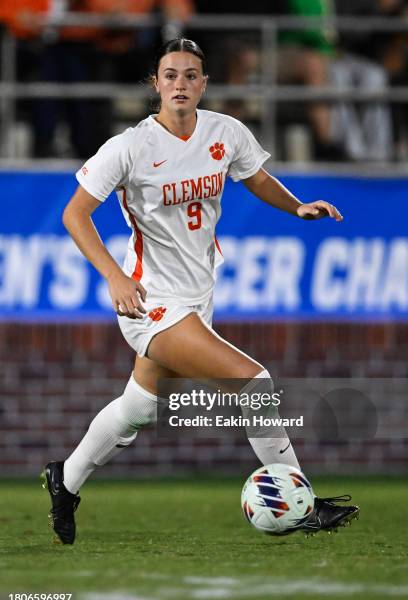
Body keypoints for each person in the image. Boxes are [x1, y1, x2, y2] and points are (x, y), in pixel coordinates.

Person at [42, 37, 359, 545]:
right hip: (150, 300)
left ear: (204, 84)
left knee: (140, 407)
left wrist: (296, 206)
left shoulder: (224, 132)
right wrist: (113, 276)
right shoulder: (130, 146)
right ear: (156, 84)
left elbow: (255, 178)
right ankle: (301, 501)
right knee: (255, 383)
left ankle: (66, 480)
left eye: (191, 75)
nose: (181, 84)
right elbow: (74, 214)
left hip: (197, 295)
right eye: (171, 75)